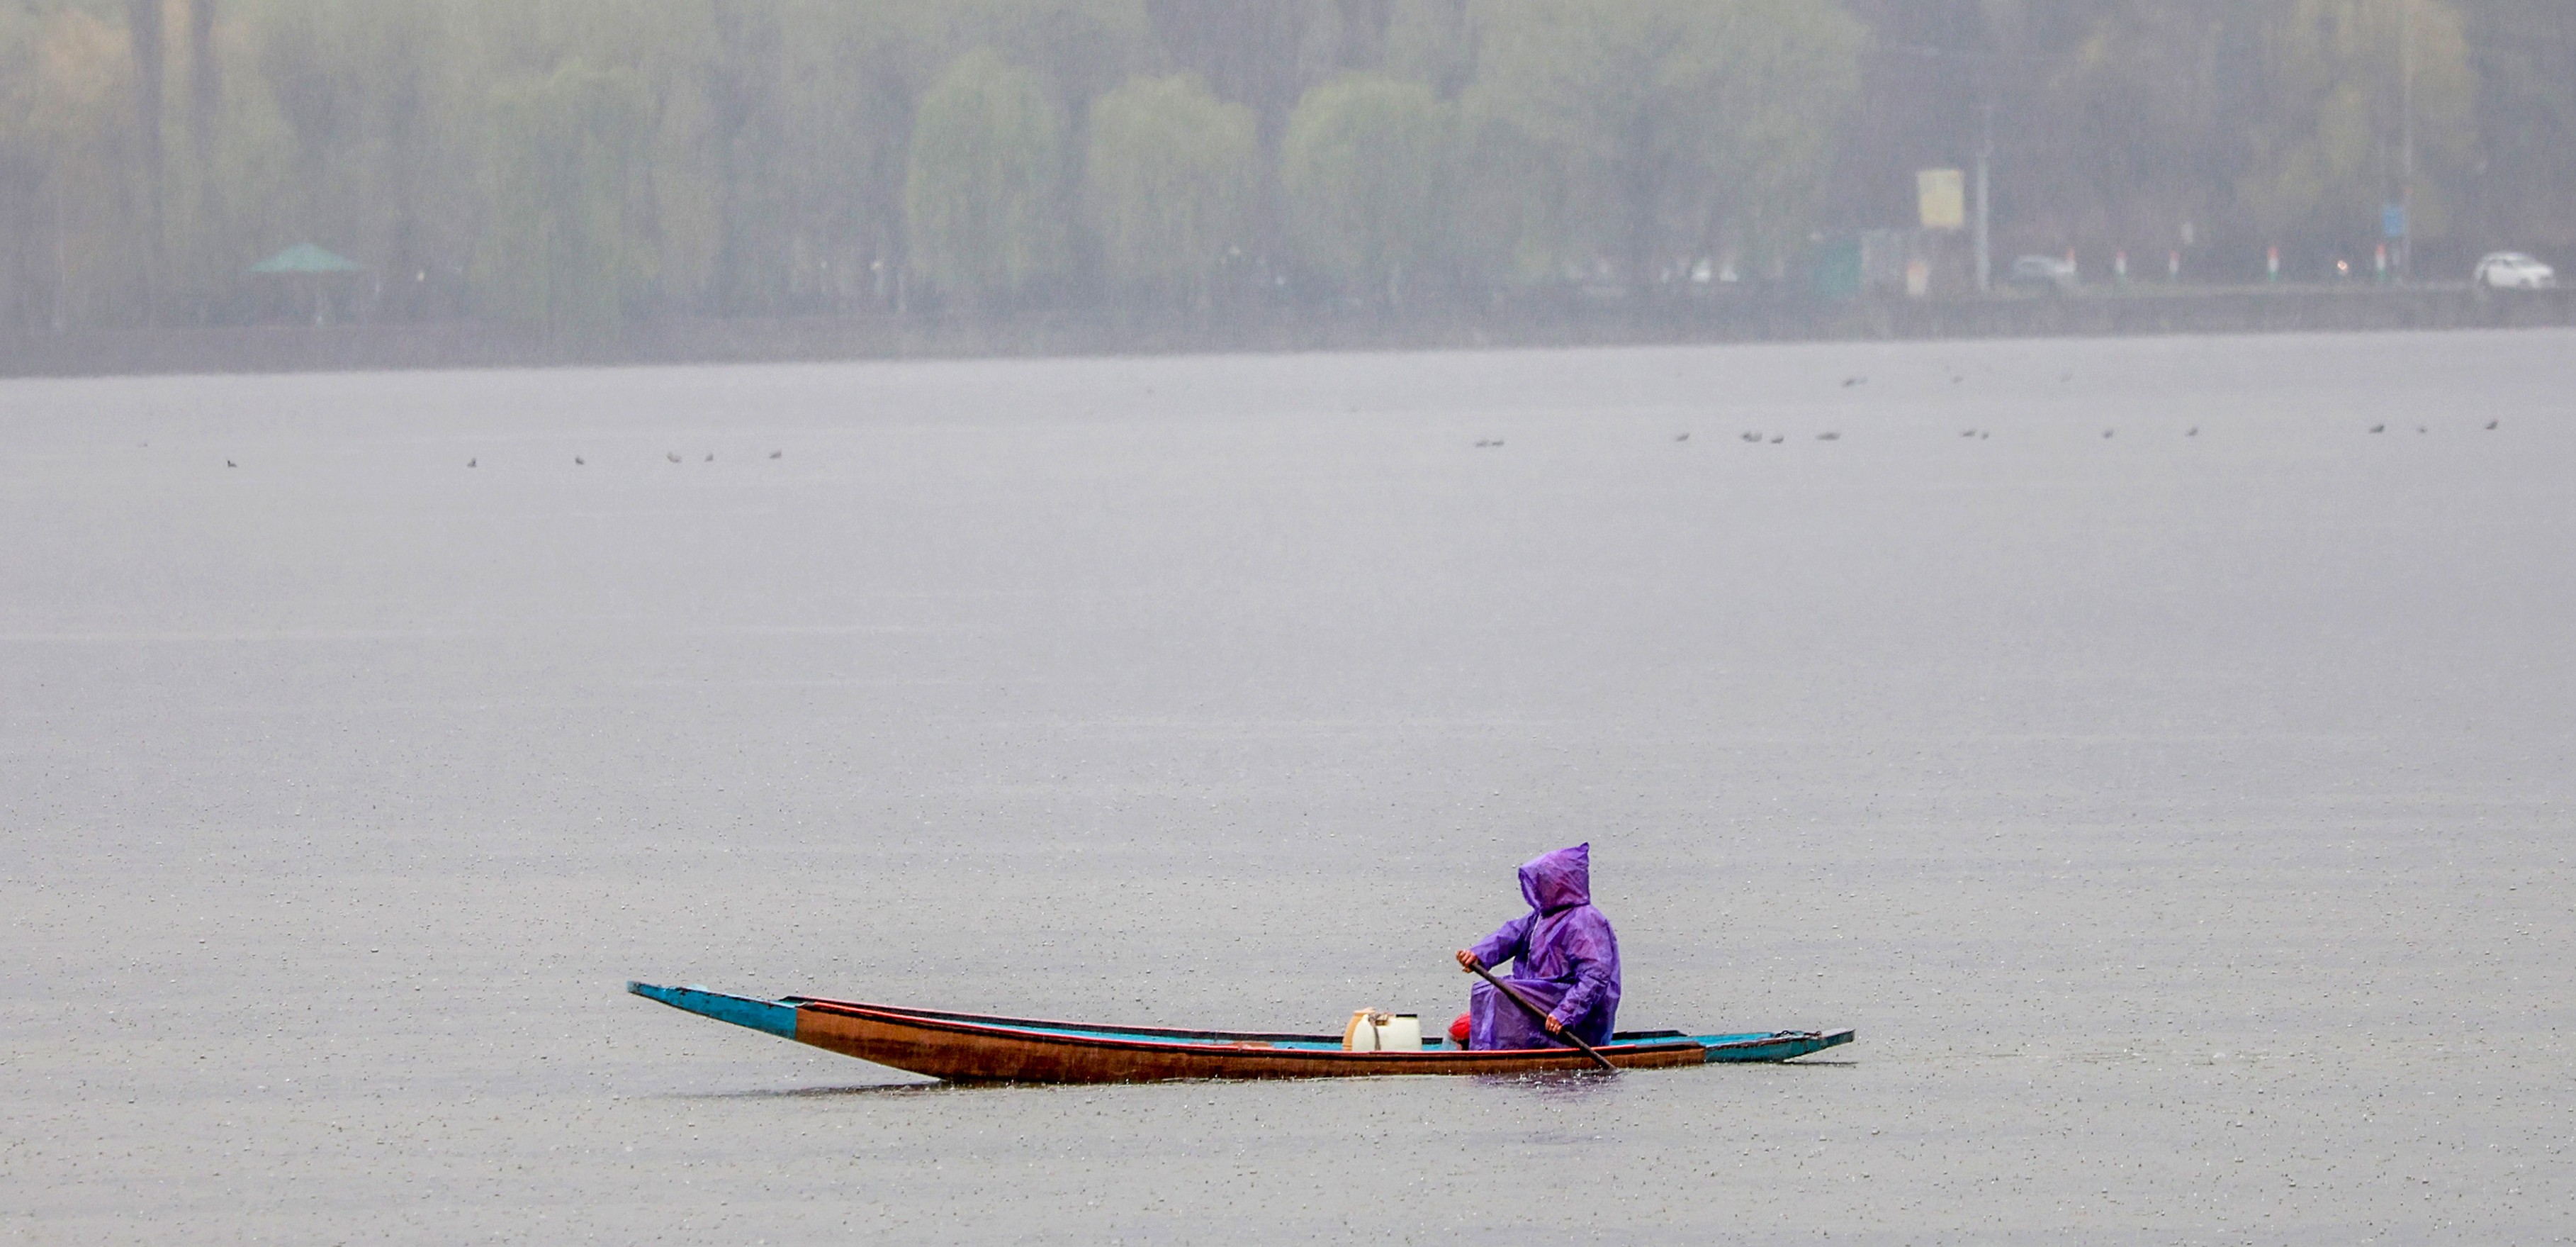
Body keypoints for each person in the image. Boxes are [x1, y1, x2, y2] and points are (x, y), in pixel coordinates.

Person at [1452, 843, 1620, 1050]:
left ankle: (1506, 1052)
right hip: (1545, 997)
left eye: (1543, 882)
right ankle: (1485, 1050)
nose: (1538, 887)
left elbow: (1595, 976)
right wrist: (1477, 955)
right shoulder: (1541, 917)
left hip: (1577, 1019)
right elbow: (1509, 935)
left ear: (1560, 883)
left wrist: (1565, 1012)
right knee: (1485, 989)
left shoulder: (1585, 920)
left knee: (1501, 995)